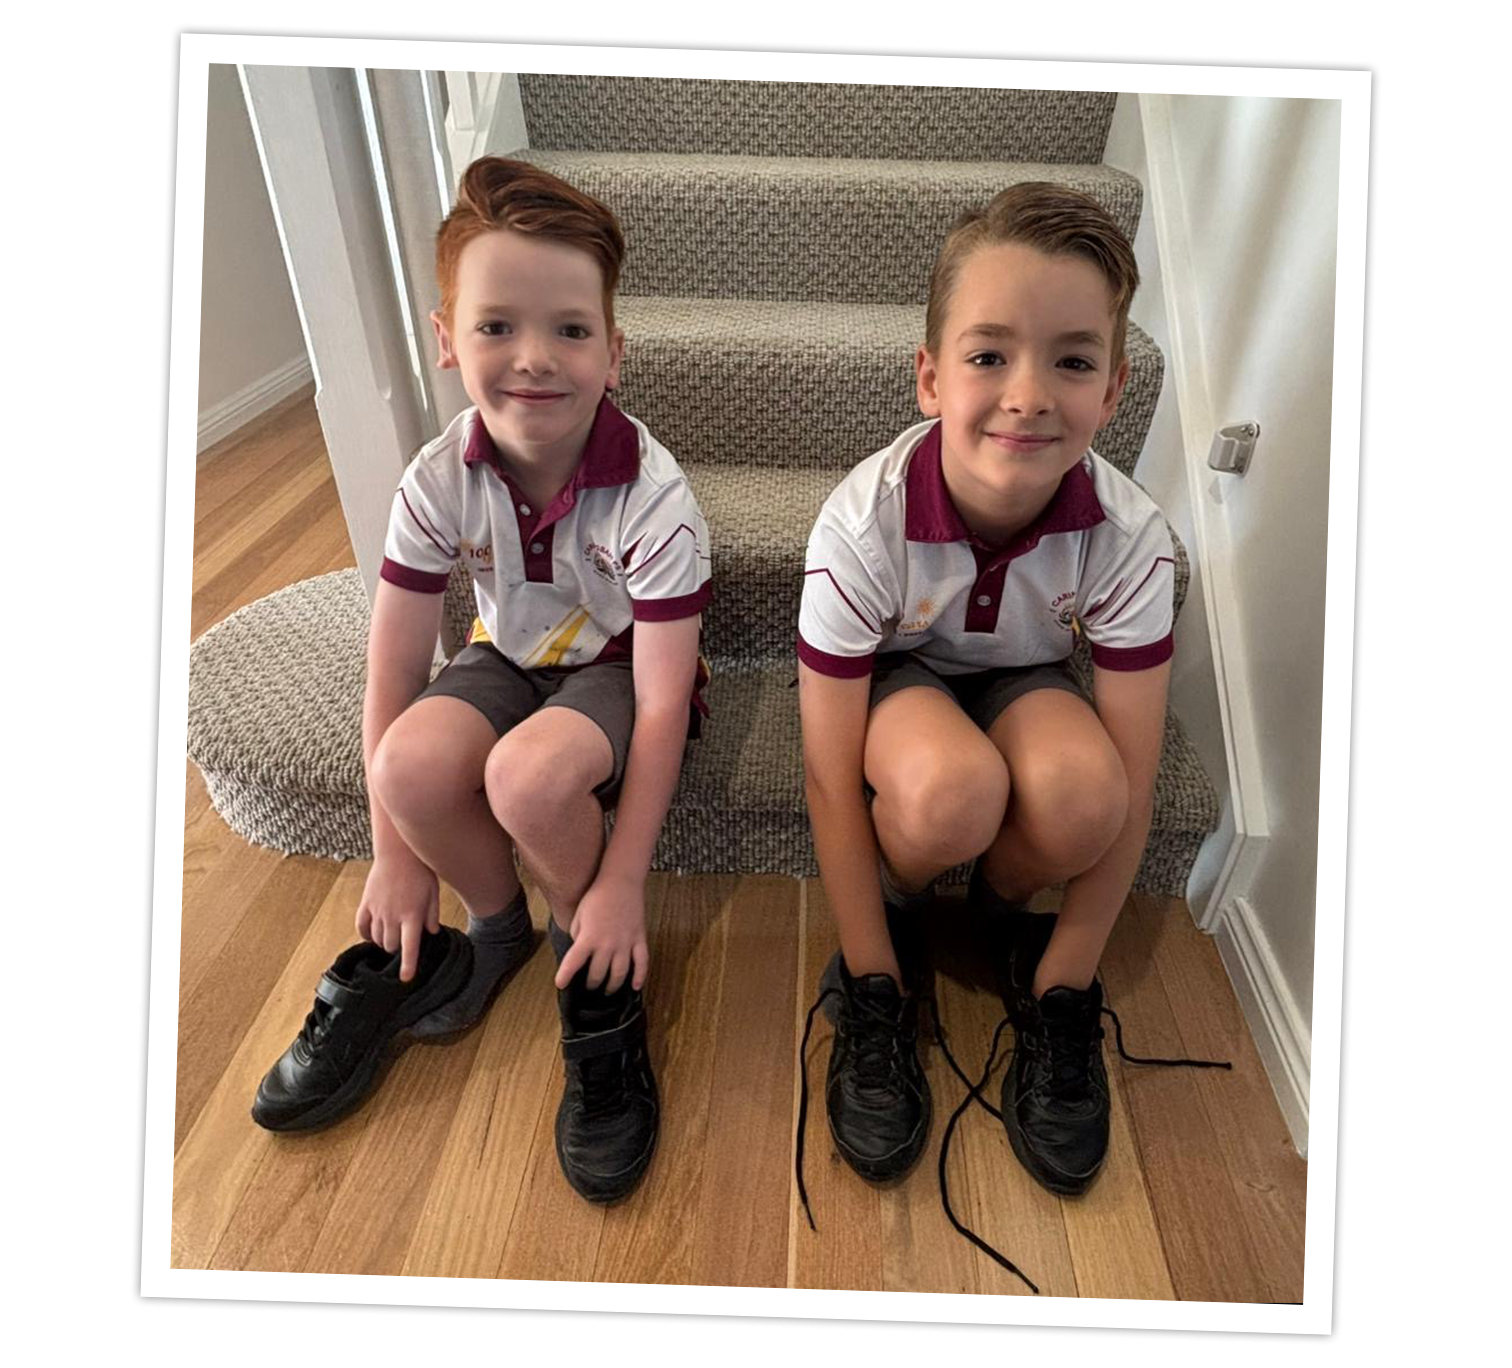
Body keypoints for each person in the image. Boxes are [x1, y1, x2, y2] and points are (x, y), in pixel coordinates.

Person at [796, 182, 1172, 1201]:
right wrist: (866, 966)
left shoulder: (1134, 539)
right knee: (948, 792)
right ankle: (902, 928)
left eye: (1074, 360)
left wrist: (1073, 975)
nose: (1030, 392)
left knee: (1087, 793)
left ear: (1114, 388)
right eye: (988, 354)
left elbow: (1133, 789)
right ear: (928, 378)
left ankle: (1007, 927)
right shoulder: (858, 527)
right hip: (903, 678)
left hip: (1026, 671)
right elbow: (831, 779)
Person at [360, 156, 711, 1201]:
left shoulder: (655, 498)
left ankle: (587, 956)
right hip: (504, 652)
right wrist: (396, 858)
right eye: (496, 326)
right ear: (445, 339)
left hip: (615, 669)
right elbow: (391, 666)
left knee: (528, 779)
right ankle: (499, 924)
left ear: (613, 351)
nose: (534, 359)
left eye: (570, 329)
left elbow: (659, 703)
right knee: (411, 766)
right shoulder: (434, 481)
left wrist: (618, 888)